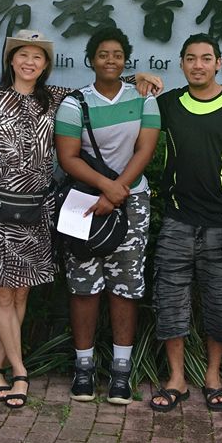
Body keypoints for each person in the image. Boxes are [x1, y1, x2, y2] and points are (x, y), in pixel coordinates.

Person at [0, 30, 159, 409]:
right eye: (23, 55)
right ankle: (19, 372)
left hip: (37, 208)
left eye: (38, 57)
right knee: (4, 292)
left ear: (46, 64)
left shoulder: (57, 99)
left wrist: (137, 78)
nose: (30, 63)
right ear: (11, 60)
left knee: (20, 292)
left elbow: (107, 83)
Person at [149, 33, 222, 413]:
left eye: (206, 58)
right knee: (171, 299)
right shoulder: (168, 104)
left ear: (219, 63)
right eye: (191, 58)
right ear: (181, 63)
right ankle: (177, 379)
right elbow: (136, 112)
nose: (199, 64)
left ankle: (213, 377)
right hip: (178, 220)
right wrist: (140, 82)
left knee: (220, 301)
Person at [55, 27, 159, 406]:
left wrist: (117, 193)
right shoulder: (74, 102)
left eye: (117, 54)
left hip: (132, 201)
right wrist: (105, 188)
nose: (110, 60)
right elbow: (67, 157)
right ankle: (83, 368)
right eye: (102, 54)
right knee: (83, 286)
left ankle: (120, 371)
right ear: (91, 59)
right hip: (84, 203)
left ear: (126, 59)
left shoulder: (144, 98)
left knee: (125, 287)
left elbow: (145, 149)